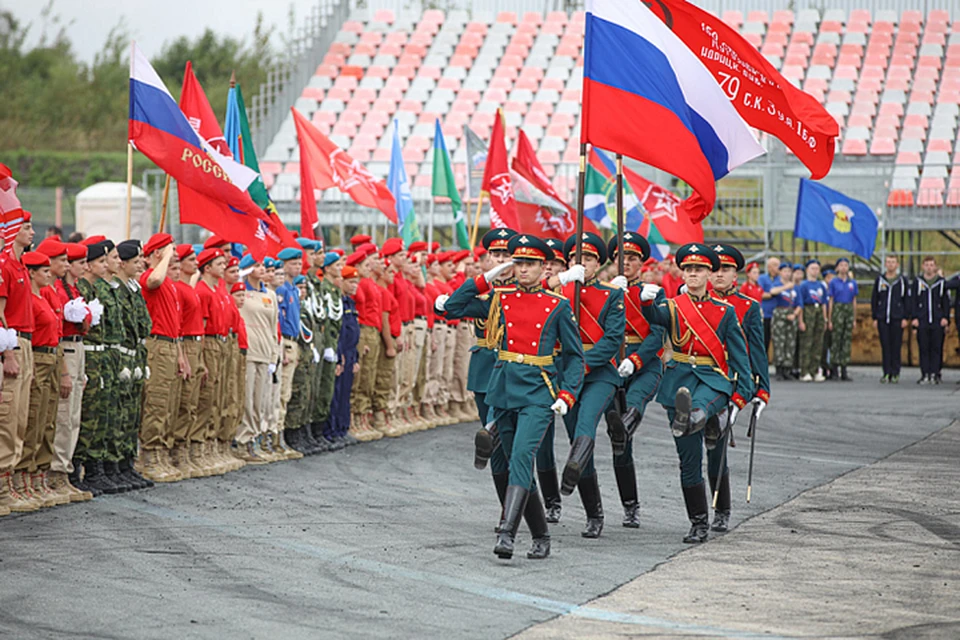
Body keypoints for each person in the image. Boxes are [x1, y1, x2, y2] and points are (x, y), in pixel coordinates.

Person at [445, 233, 584, 560]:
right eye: (518, 263)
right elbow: (453, 307)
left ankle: (507, 533)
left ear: (544, 267)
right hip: (504, 389)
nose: (522, 269)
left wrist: (568, 393)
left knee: (522, 456)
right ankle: (541, 535)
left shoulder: (558, 305)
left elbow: (576, 356)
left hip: (538, 390)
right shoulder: (500, 298)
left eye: (530, 264)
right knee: (512, 463)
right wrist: (484, 279)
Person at [640, 243, 753, 544]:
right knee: (688, 459)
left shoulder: (725, 312)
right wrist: (646, 302)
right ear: (682, 273)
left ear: (708, 273)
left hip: (713, 379)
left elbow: (741, 359)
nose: (692, 273)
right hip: (679, 381)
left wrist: (742, 397)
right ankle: (699, 522)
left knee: (702, 417)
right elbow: (655, 319)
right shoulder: (672, 306)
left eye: (698, 269)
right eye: (687, 269)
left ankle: (702, 417)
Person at [558, 232, 624, 539]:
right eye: (575, 258)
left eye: (587, 258)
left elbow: (612, 340)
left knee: (585, 425)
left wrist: (582, 363)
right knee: (576, 439)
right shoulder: (560, 293)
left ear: (599, 263)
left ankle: (574, 478)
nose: (581, 263)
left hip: (598, 372)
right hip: (566, 373)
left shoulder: (612, 295)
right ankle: (593, 512)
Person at [707, 244, 770, 531]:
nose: (720, 274)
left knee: (716, 446)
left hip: (731, 379)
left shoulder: (748, 306)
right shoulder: (692, 300)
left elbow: (757, 350)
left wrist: (762, 389)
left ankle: (721, 510)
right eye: (716, 268)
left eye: (726, 269)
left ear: (736, 274)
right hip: (699, 374)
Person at [605, 233, 665, 529]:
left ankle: (626, 424)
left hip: (644, 364)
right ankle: (630, 505)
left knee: (636, 402)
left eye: (631, 258)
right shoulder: (606, 290)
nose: (625, 263)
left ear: (641, 263)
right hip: (612, 365)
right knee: (620, 445)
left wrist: (636, 360)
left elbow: (656, 334)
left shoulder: (652, 292)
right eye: (621, 258)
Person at [137, 234, 188, 483]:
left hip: (169, 345)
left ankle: (158, 454)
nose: (175, 254)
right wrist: (164, 255)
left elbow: (174, 325)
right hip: (156, 345)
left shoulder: (169, 283)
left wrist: (180, 356)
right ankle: (148, 456)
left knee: (165, 404)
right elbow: (153, 279)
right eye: (171, 249)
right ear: (158, 253)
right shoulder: (151, 276)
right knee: (155, 402)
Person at [19, 251, 66, 508]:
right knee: (33, 417)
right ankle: (20, 477)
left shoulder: (44, 297)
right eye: (44, 271)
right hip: (37, 357)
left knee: (47, 419)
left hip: (51, 358)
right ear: (32, 274)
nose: (50, 275)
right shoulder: (31, 300)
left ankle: (38, 476)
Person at [50, 242, 93, 501]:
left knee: (73, 415)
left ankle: (64, 471)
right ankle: (56, 472)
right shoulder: (56, 289)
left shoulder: (73, 289)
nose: (72, 266)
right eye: (69, 262)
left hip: (77, 347)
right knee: (64, 415)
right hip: (65, 348)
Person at [0, 212, 36, 512]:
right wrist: (8, 352)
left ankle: (10, 480)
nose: (32, 232)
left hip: (26, 340)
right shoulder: (5, 266)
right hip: (12, 343)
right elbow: (0, 313)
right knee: (8, 418)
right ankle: (1, 487)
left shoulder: (20, 264)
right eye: (26, 227)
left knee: (21, 418)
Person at [236, 254, 282, 462]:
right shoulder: (241, 292)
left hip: (265, 352)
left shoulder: (270, 295)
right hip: (248, 351)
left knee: (259, 402)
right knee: (246, 399)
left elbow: (273, 326)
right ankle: (242, 442)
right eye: (256, 265)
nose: (262, 268)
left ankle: (253, 439)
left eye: (262, 265)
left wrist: (274, 355)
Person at [911, 256, 951, 384]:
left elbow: (946, 301)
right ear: (923, 266)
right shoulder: (918, 282)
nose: (929, 267)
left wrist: (945, 318)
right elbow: (913, 301)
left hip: (937, 320)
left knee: (936, 348)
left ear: (935, 267)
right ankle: (925, 374)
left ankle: (935, 373)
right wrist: (914, 318)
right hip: (922, 320)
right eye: (927, 265)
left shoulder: (941, 283)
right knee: (923, 348)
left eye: (931, 265)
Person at [871, 254, 910, 384]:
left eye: (893, 262)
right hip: (883, 318)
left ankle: (895, 372)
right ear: (885, 264)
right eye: (888, 262)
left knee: (896, 346)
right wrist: (875, 317)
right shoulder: (880, 280)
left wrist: (905, 317)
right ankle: (886, 372)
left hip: (897, 318)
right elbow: (875, 299)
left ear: (897, 264)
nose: (891, 264)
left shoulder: (902, 281)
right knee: (885, 345)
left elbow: (907, 300)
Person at [796, 260, 829, 382]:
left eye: (817, 268)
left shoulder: (821, 285)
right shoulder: (804, 285)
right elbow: (801, 304)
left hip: (819, 310)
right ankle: (805, 370)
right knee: (807, 342)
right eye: (812, 268)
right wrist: (801, 321)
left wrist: (825, 319)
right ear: (807, 270)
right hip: (808, 310)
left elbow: (824, 303)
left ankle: (815, 370)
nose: (815, 271)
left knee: (818, 342)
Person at [827, 258, 858, 382]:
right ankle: (834, 368)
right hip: (838, 309)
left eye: (846, 265)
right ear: (837, 268)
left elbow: (854, 300)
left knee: (846, 340)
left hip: (848, 310)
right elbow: (831, 300)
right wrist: (829, 319)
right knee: (836, 339)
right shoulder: (834, 282)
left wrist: (854, 318)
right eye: (841, 265)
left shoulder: (852, 283)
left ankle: (844, 368)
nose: (844, 268)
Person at [771, 262, 799, 381]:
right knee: (779, 342)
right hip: (780, 314)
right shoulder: (777, 283)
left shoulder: (794, 286)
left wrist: (795, 314)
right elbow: (772, 292)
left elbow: (799, 303)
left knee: (790, 342)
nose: (787, 274)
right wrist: (785, 287)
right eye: (785, 271)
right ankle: (779, 368)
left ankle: (787, 368)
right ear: (780, 272)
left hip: (791, 313)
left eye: (789, 271)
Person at [758, 256, 781, 353]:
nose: (777, 268)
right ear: (769, 267)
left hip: (778, 314)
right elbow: (760, 294)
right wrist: (772, 293)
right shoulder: (762, 278)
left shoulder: (781, 279)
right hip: (766, 313)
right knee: (765, 339)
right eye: (775, 265)